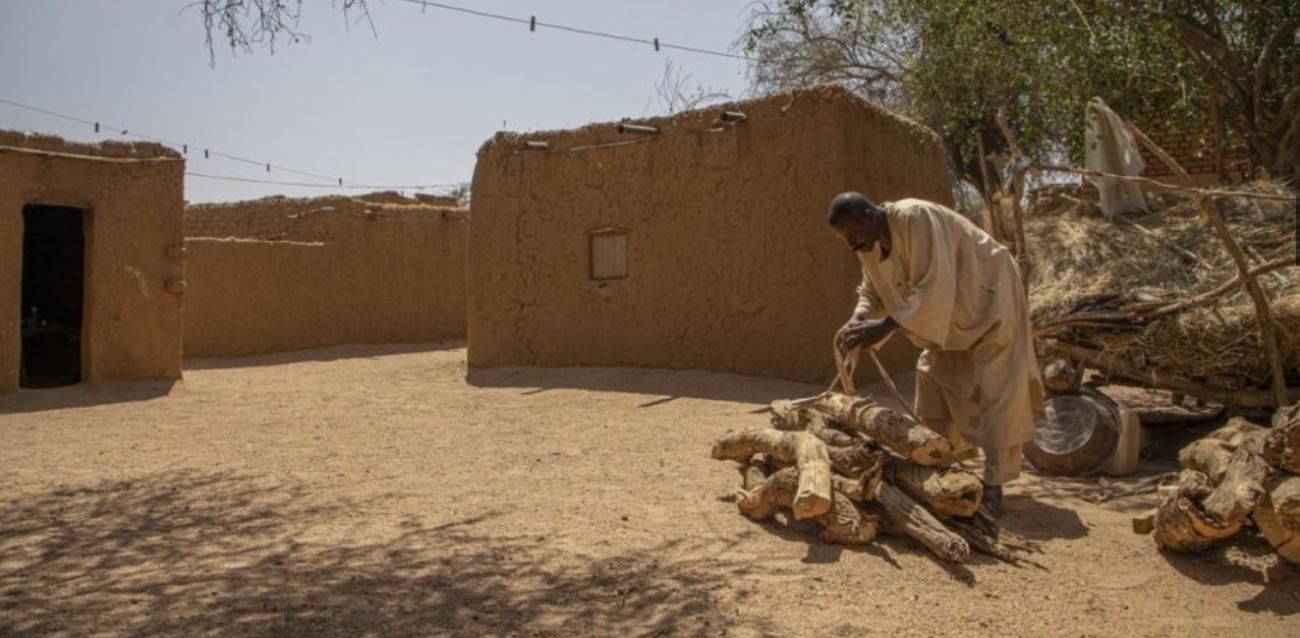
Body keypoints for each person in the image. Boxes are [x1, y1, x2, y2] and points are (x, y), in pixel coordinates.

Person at [827, 192, 1044, 517]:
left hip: (989, 297)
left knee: (999, 389)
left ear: (870, 216)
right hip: (951, 318)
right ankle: (937, 465)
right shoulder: (868, 244)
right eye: (846, 240)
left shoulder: (915, 217)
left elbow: (934, 288)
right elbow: (872, 291)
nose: (851, 245)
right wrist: (859, 319)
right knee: (932, 377)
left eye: (853, 235)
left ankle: (995, 486)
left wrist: (882, 328)